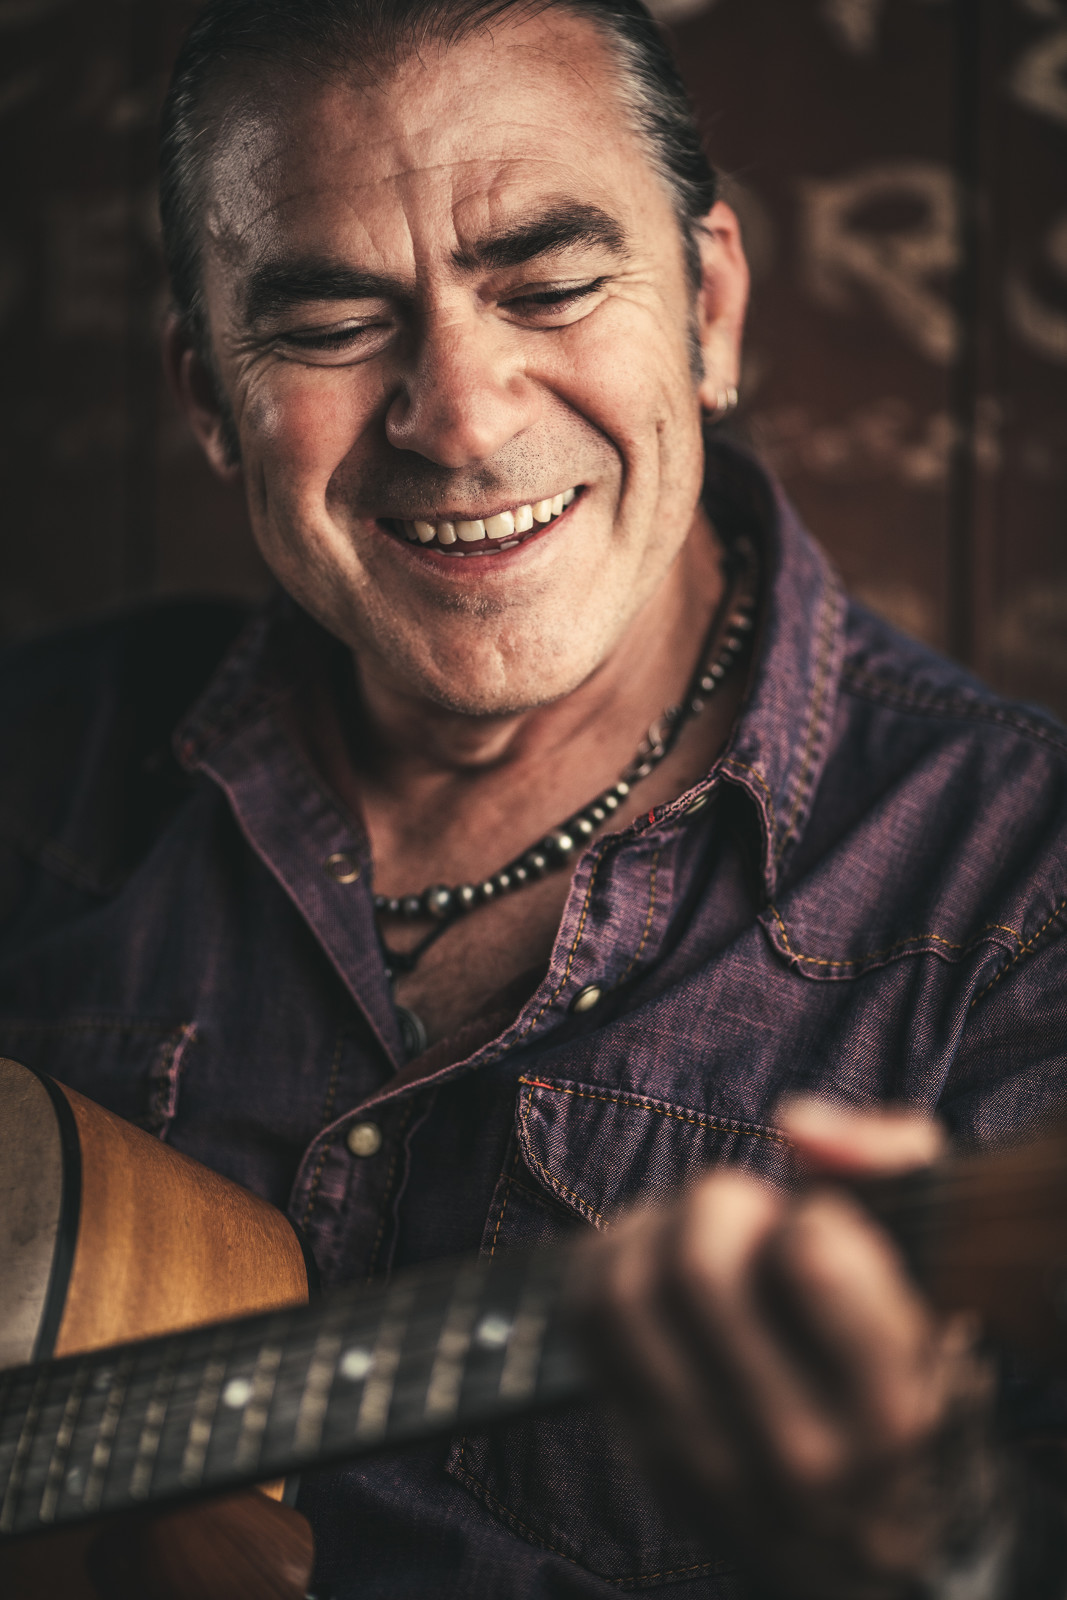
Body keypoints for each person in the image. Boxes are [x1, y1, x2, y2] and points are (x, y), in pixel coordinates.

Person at [0, 0, 1065, 1594]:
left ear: (708, 309)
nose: (464, 417)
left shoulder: (1027, 899)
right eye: (330, 325)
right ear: (209, 398)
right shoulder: (35, 761)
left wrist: (927, 1542)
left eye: (552, 288)